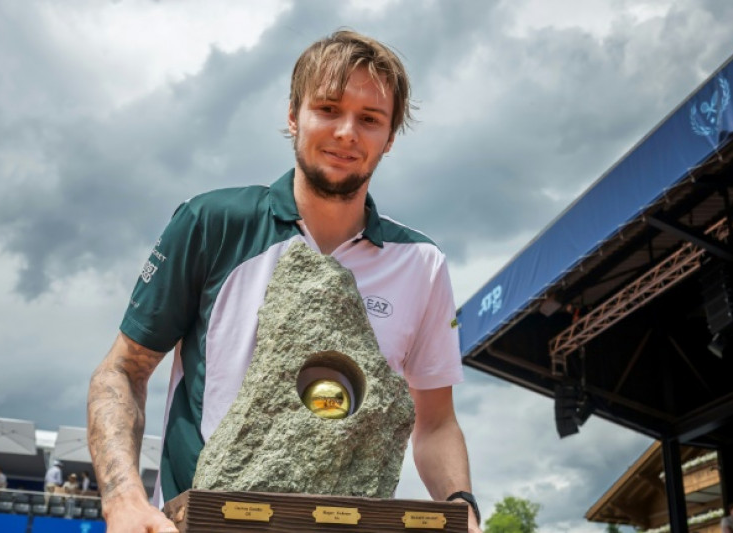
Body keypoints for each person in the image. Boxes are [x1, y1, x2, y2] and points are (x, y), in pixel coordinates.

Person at [87, 29, 481, 533]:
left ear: (390, 137)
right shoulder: (213, 221)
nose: (346, 132)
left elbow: (437, 422)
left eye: (370, 119)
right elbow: (122, 371)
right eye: (328, 109)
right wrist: (123, 500)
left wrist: (462, 506)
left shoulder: (420, 263)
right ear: (293, 115)